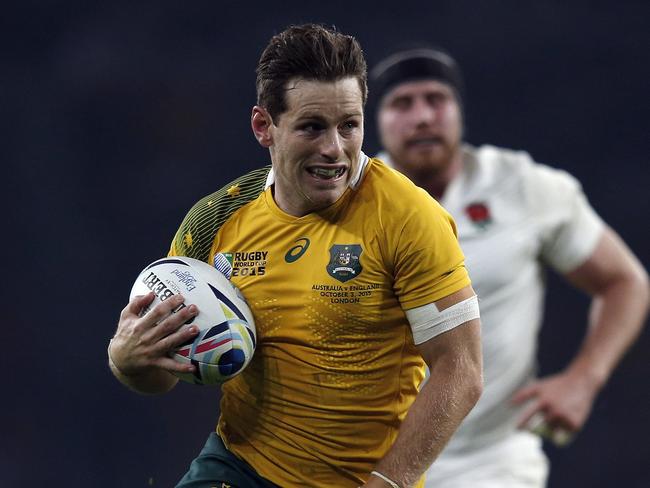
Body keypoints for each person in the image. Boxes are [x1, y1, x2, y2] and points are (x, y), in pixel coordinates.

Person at [107, 25, 484, 488]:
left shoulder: (409, 218)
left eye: (349, 125)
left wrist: (389, 482)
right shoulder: (216, 220)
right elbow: (165, 374)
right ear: (264, 126)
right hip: (239, 466)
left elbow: (461, 370)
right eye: (312, 127)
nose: (334, 149)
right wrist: (128, 360)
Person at [370, 47, 649, 487]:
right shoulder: (349, 200)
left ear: (460, 112)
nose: (422, 116)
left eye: (436, 99)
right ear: (377, 123)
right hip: (372, 457)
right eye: (402, 104)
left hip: (491, 459)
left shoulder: (522, 187)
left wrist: (584, 379)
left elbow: (625, 282)